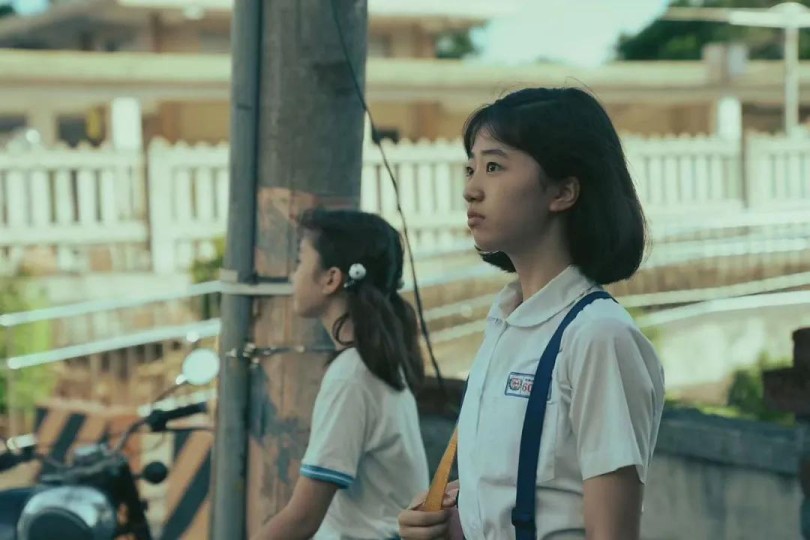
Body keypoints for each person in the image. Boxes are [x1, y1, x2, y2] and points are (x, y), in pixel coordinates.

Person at [398, 87, 666, 540]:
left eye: (494, 167)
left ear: (563, 191)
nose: (471, 189)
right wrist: (447, 527)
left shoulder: (598, 336)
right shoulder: (503, 327)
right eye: (471, 168)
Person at [255, 208, 429, 540]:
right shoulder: (373, 362)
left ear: (331, 279)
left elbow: (302, 519)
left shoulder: (351, 377)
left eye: (300, 262)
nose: (293, 276)